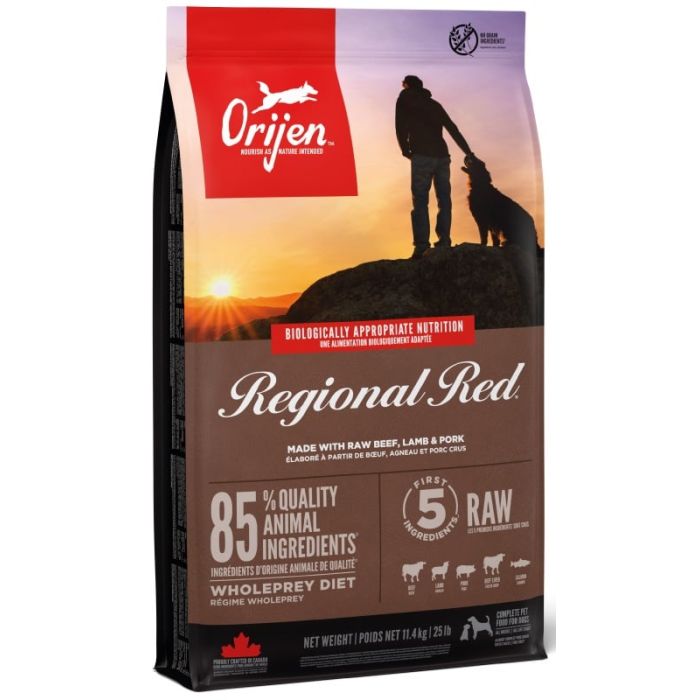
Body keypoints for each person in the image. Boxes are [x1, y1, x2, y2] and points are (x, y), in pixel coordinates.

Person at [395, 75, 473, 259]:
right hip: (442, 156)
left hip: (422, 155)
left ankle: (422, 246)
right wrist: (468, 152)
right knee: (444, 199)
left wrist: (405, 150)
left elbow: (400, 126)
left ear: (407, 85)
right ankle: (444, 240)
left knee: (420, 201)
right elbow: (453, 129)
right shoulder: (434, 105)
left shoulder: (405, 99)